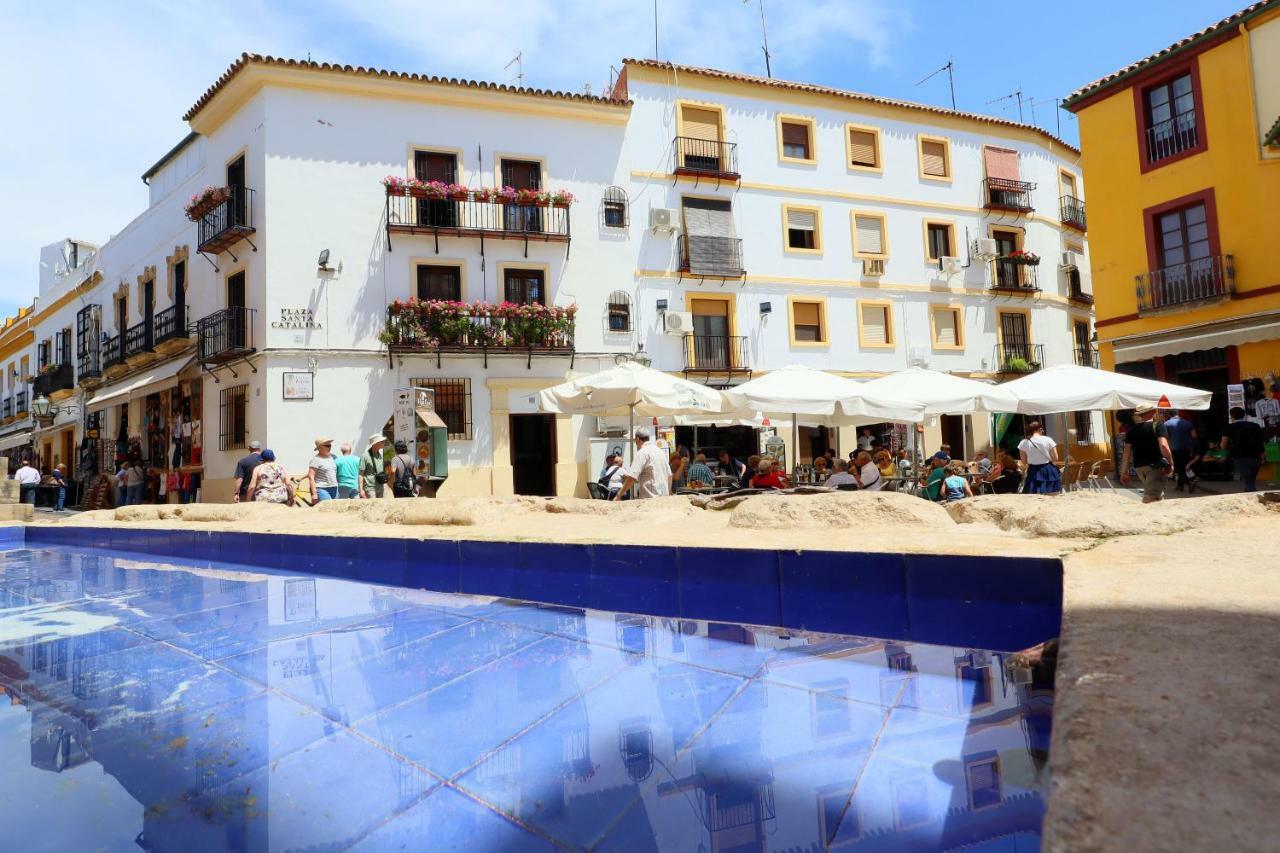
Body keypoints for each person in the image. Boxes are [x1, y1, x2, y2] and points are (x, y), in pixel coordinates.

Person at [1120, 406, 1172, 503]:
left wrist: (1124, 472)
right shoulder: (1158, 425)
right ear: (1152, 412)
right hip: (1155, 466)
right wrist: (1170, 462)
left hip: (1139, 467)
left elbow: (1126, 452)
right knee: (1149, 498)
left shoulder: (1131, 430)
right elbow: (1164, 445)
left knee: (1157, 494)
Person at [614, 428, 672, 500]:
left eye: (635, 441)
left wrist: (618, 495)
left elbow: (632, 478)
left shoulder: (642, 453)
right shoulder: (660, 452)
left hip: (650, 498)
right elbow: (669, 475)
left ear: (637, 439)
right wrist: (668, 494)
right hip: (664, 498)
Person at [1221, 405, 1265, 493]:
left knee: (1248, 480)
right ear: (1244, 415)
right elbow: (1261, 441)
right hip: (1256, 456)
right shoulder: (1255, 426)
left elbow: (1224, 443)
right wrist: (1263, 455)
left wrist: (1224, 448)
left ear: (1231, 416)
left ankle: (1252, 499)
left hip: (1240, 456)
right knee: (1251, 479)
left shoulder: (1229, 427)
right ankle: (1250, 496)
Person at [1018, 421, 1062, 495]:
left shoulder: (1024, 442)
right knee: (1052, 495)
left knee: (1033, 495)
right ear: (1039, 429)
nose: (1043, 431)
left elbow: (1024, 461)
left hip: (1033, 470)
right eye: (1042, 429)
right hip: (1048, 469)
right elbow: (1055, 458)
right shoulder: (1048, 440)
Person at [1163, 410, 1197, 492]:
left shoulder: (1166, 424)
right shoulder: (1188, 423)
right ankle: (1180, 485)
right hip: (1187, 448)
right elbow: (1194, 435)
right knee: (1184, 466)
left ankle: (1190, 481)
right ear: (1177, 414)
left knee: (1178, 468)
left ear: (1168, 414)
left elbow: (1165, 438)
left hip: (1174, 448)